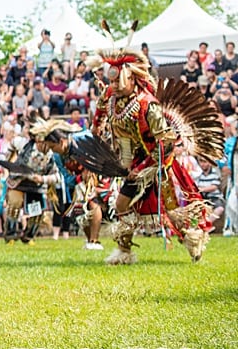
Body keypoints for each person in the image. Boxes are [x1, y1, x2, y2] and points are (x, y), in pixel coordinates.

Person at [87, 45, 221, 264]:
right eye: (110, 82)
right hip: (132, 159)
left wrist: (142, 170)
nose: (113, 87)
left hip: (157, 162)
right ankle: (124, 251)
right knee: (121, 204)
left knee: (173, 211)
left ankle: (193, 241)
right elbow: (101, 109)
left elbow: (165, 144)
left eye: (117, 82)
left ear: (133, 80)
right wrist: (97, 127)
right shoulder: (112, 95)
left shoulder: (147, 105)